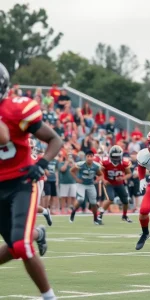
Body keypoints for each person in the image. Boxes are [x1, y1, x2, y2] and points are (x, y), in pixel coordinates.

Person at [0, 63, 63, 300]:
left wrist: (42, 163)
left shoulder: (17, 109)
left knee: (21, 247)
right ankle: (37, 233)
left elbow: (54, 139)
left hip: (21, 183)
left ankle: (50, 297)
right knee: (17, 245)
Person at [98, 145, 133, 223]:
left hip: (119, 183)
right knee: (110, 199)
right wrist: (104, 180)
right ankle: (99, 216)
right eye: (114, 156)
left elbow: (129, 174)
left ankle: (124, 216)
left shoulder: (125, 162)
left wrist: (123, 178)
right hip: (109, 183)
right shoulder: (105, 162)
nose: (116, 158)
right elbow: (100, 173)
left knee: (126, 200)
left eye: (118, 156)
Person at [70, 150, 102, 225]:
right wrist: (77, 179)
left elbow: (100, 174)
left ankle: (95, 219)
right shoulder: (80, 164)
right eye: (88, 156)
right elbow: (71, 171)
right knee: (81, 199)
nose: (89, 158)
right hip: (81, 184)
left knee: (93, 202)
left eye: (91, 156)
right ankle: (73, 212)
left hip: (90, 184)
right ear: (85, 157)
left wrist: (97, 180)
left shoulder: (96, 166)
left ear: (93, 157)